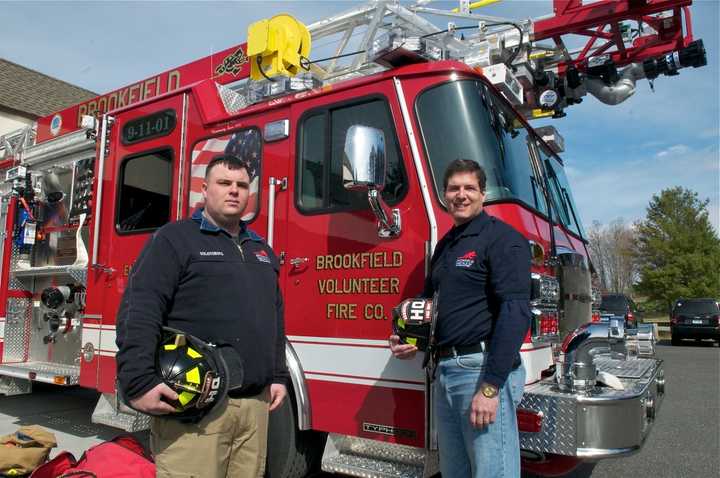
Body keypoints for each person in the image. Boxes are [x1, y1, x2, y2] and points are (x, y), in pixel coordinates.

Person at [116, 154, 288, 478]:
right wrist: (137, 382)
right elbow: (140, 309)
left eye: (241, 185)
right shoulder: (174, 240)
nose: (234, 191)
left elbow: (274, 321)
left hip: (254, 409)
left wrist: (278, 377)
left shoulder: (261, 250)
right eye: (224, 183)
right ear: (205, 189)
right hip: (197, 409)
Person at [390, 159, 531, 478]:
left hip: (479, 370)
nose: (461, 195)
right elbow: (427, 303)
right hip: (446, 373)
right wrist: (405, 337)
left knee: (492, 472)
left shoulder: (502, 239)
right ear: (444, 195)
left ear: (483, 194)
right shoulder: (446, 246)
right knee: (455, 472)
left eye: (470, 188)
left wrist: (491, 387)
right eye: (454, 188)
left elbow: (515, 311)